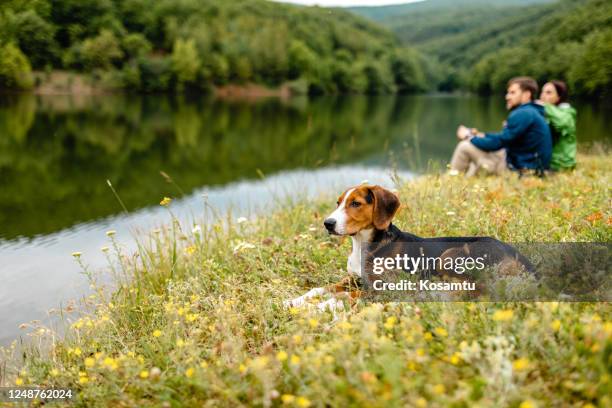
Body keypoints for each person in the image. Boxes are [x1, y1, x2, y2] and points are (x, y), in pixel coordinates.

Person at [449, 77, 552, 176]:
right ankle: (466, 181)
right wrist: (481, 135)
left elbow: (498, 143)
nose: (507, 97)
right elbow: (505, 137)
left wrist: (468, 136)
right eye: (508, 93)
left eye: (512, 93)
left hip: (522, 171)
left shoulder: (523, 113)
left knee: (464, 147)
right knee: (478, 151)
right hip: (528, 165)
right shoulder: (533, 111)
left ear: (526, 94)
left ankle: (452, 182)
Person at [539, 80, 577, 170]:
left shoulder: (568, 113)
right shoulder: (547, 113)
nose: (543, 96)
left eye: (548, 93)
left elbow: (562, 123)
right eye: (542, 92)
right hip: (547, 163)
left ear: (559, 97)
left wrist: (545, 106)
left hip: (561, 165)